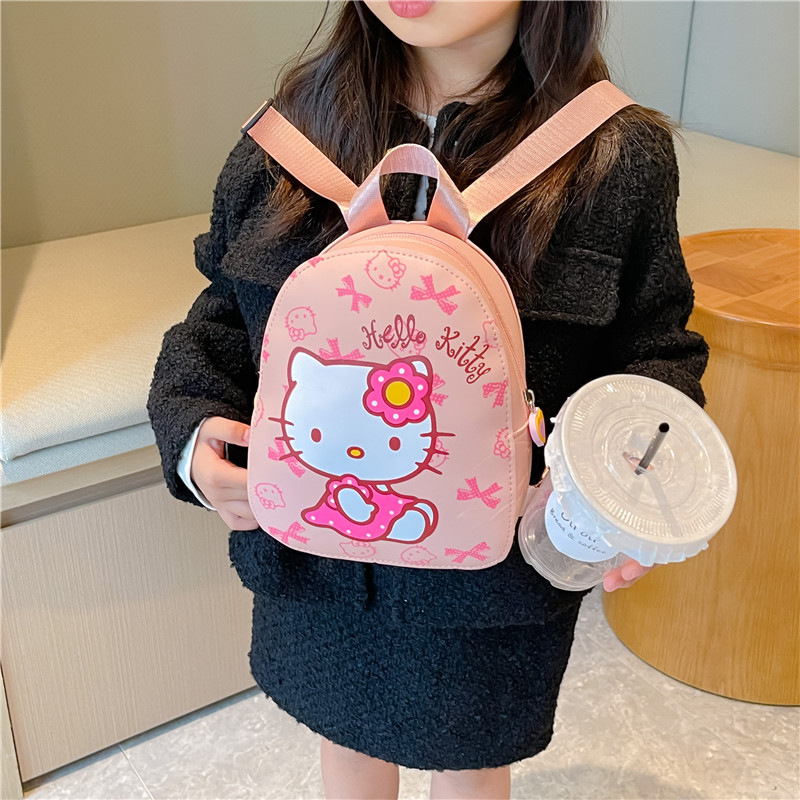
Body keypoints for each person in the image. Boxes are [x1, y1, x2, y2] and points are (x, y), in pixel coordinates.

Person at [147, 1, 708, 798]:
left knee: (473, 766)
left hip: (496, 587)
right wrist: (195, 434)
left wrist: (629, 488)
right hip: (316, 564)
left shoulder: (616, 159)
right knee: (346, 751)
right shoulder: (286, 141)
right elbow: (221, 322)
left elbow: (655, 350)